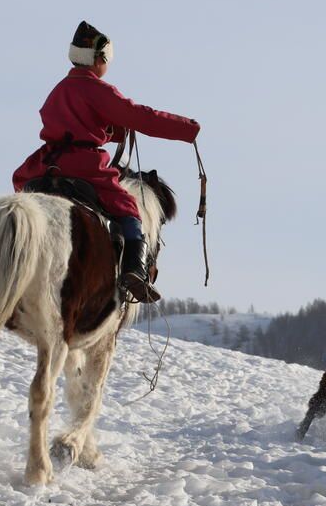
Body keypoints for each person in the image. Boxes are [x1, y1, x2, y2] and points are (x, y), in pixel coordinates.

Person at [13, 21, 200, 303]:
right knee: (128, 210)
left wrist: (110, 131)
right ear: (99, 59)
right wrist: (187, 129)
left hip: (45, 162)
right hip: (82, 164)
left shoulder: (59, 89)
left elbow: (73, 124)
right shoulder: (98, 89)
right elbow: (141, 116)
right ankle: (134, 272)